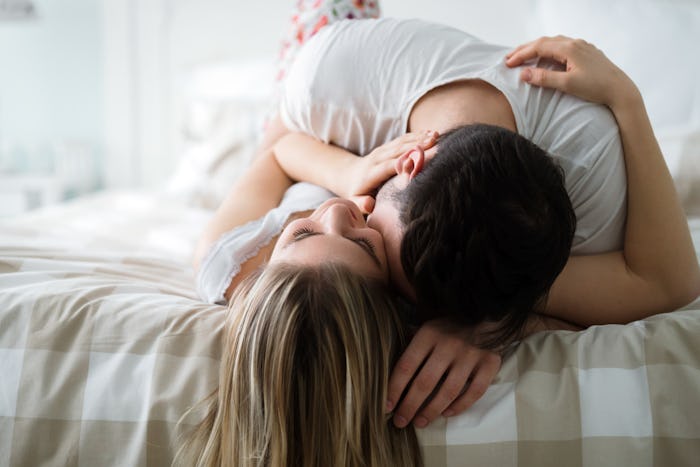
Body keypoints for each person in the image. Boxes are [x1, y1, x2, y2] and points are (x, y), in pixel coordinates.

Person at [195, 4, 700, 431]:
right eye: (367, 240)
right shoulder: (335, 77)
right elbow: (279, 144)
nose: (344, 210)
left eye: (304, 230)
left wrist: (483, 325)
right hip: (326, 87)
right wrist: (347, 168)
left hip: (363, 86)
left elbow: (668, 285)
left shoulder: (225, 258)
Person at [175, 263, 423, 467]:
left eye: (302, 234)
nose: (335, 212)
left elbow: (257, 198)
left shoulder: (229, 267)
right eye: (365, 245)